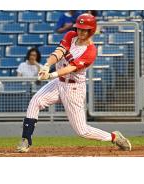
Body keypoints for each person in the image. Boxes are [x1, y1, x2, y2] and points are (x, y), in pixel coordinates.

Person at [17, 13, 132, 153]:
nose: (81, 32)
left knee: (81, 131)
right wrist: (47, 65)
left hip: (73, 88)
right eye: (79, 28)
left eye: (85, 29)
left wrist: (51, 74)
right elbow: (59, 51)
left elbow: (71, 68)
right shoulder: (71, 35)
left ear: (91, 30)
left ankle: (114, 137)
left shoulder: (91, 50)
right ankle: (26, 139)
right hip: (58, 83)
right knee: (35, 101)